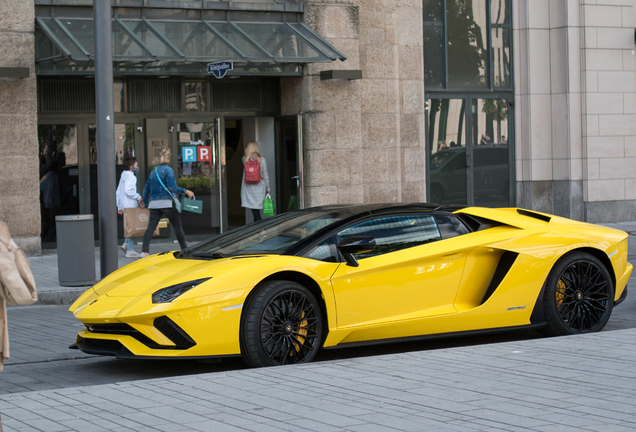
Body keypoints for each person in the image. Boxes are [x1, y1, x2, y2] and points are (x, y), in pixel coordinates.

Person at [140, 148, 193, 257]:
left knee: (151, 227)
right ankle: (185, 249)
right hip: (167, 203)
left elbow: (146, 189)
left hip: (154, 204)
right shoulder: (168, 170)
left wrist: (145, 202)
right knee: (177, 226)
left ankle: (144, 251)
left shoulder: (153, 172)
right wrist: (186, 191)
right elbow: (172, 187)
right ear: (168, 158)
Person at [116, 157, 144, 258]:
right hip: (131, 206)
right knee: (132, 228)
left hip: (124, 205)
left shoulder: (123, 175)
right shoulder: (132, 177)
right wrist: (139, 197)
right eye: (136, 165)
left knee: (129, 227)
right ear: (131, 166)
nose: (137, 167)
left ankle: (126, 244)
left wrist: (119, 206)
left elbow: (118, 192)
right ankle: (130, 250)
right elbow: (129, 191)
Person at [241, 141, 270, 222]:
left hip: (249, 188)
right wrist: (268, 189)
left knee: (255, 212)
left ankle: (258, 228)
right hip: (259, 188)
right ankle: (259, 229)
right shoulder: (262, 160)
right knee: (256, 212)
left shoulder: (245, 160)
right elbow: (265, 176)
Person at [40, 160, 61, 242]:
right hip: (51, 204)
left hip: (48, 203)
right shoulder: (52, 177)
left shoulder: (47, 176)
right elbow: (51, 191)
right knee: (53, 222)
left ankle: (49, 237)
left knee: (52, 222)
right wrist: (53, 204)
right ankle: (48, 238)